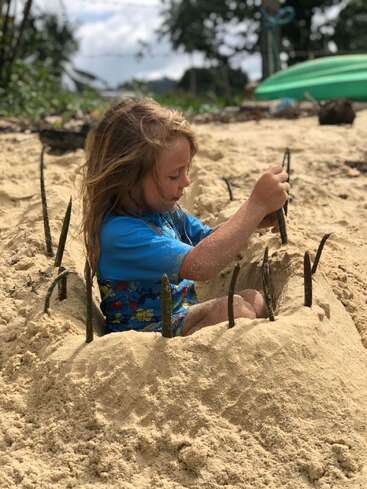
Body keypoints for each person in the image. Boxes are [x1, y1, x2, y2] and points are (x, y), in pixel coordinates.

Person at [82, 98, 289, 337]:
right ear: (129, 179)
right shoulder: (119, 233)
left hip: (180, 317)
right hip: (148, 336)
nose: (186, 182)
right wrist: (256, 203)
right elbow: (202, 264)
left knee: (253, 300)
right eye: (174, 176)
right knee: (235, 310)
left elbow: (209, 240)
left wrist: (255, 219)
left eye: (186, 171)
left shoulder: (166, 212)